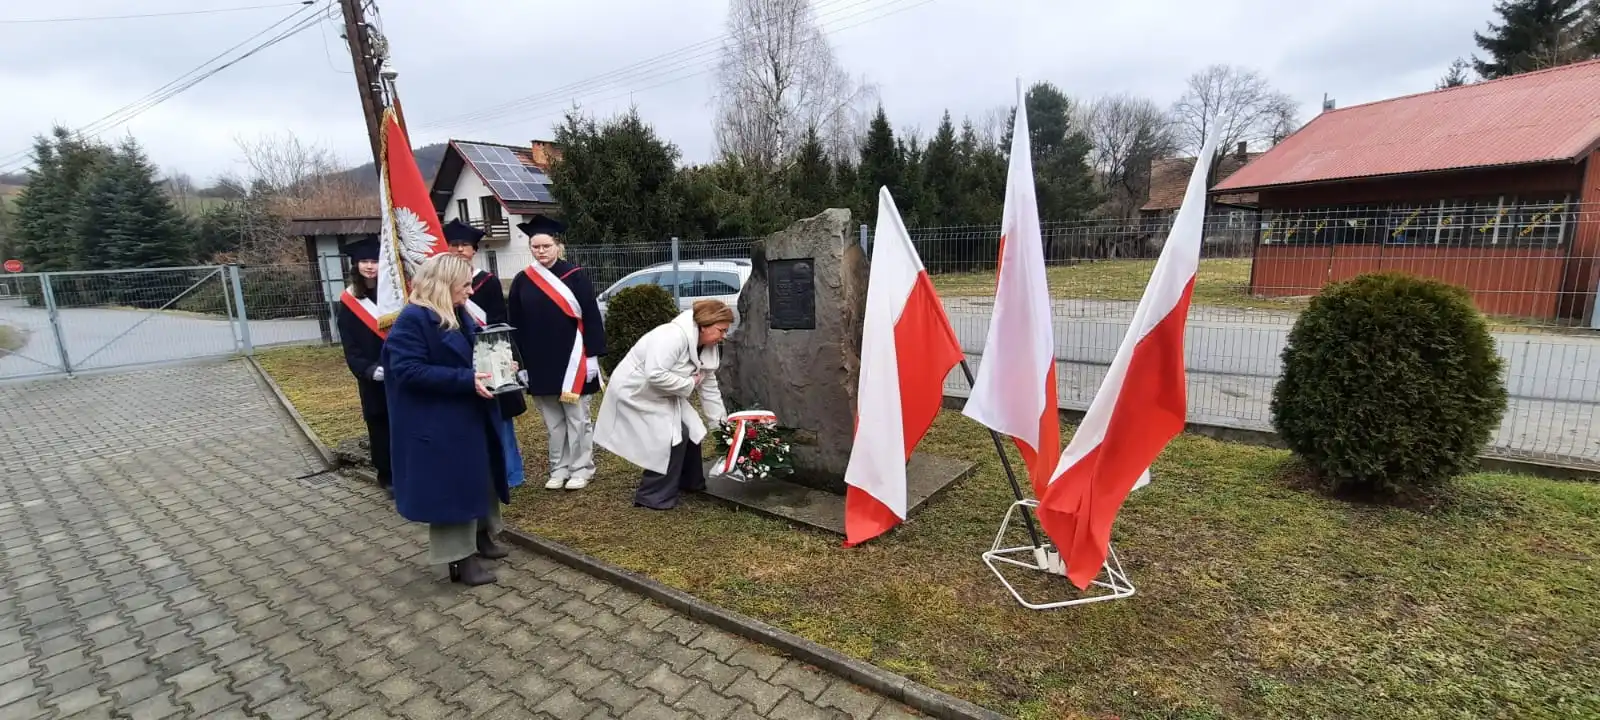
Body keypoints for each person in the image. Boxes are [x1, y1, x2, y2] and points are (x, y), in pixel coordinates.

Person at [381, 252, 510, 586]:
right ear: (444, 284)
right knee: (453, 489)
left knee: (480, 478)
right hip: (438, 423)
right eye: (464, 285)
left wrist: (499, 368)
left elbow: (475, 353)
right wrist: (466, 380)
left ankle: (481, 537)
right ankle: (460, 560)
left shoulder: (456, 311)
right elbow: (407, 370)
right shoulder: (414, 319)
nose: (470, 291)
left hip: (467, 416)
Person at [594, 299, 732, 510]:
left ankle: (689, 482)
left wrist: (722, 428)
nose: (724, 336)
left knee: (693, 430)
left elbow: (710, 388)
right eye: (721, 330)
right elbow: (655, 374)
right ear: (704, 325)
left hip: (663, 392)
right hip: (635, 392)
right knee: (671, 436)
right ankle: (653, 496)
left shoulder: (707, 346)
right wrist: (689, 383)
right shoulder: (671, 336)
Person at [507, 215, 607, 491]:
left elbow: (591, 316)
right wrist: (521, 361)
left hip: (573, 360)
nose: (540, 251)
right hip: (539, 362)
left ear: (557, 245)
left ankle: (582, 468)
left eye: (546, 246)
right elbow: (514, 323)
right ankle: (559, 468)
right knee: (553, 422)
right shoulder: (522, 281)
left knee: (577, 419)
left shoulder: (576, 277)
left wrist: (593, 356)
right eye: (535, 246)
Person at [444, 218, 528, 490]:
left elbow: (497, 320)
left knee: (499, 416)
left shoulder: (488, 282)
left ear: (474, 250)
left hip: (488, 353)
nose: (459, 250)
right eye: (453, 245)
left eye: (464, 245)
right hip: (458, 357)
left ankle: (510, 473)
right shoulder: (440, 283)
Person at [334, 237, 393, 496]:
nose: (370, 266)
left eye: (375, 261)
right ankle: (387, 475)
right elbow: (351, 346)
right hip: (373, 377)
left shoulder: (393, 295)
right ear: (355, 265)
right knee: (379, 424)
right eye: (364, 261)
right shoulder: (349, 302)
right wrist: (369, 370)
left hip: (400, 370)